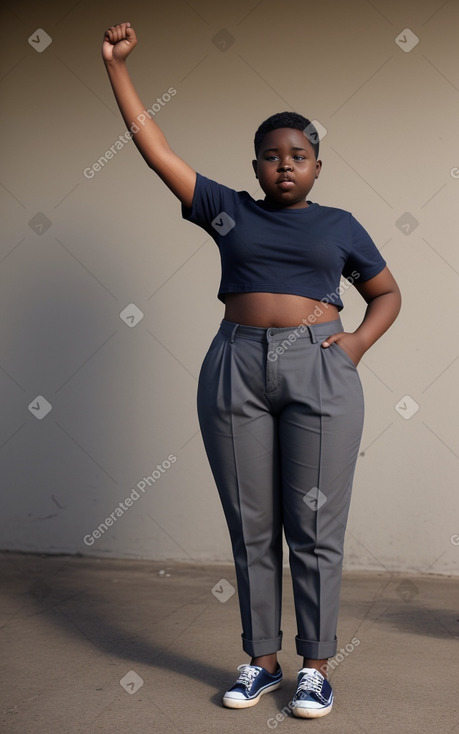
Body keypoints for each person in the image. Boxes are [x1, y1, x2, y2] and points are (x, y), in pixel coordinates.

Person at [102, 22, 401, 719]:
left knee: (315, 527)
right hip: (234, 364)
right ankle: (261, 661)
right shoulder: (226, 210)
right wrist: (117, 67)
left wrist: (353, 343)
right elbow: (153, 149)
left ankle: (316, 668)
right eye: (270, 157)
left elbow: (385, 293)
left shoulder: (340, 224)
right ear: (255, 168)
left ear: (318, 166)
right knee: (252, 525)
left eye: (298, 154)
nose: (284, 165)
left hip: (319, 368)